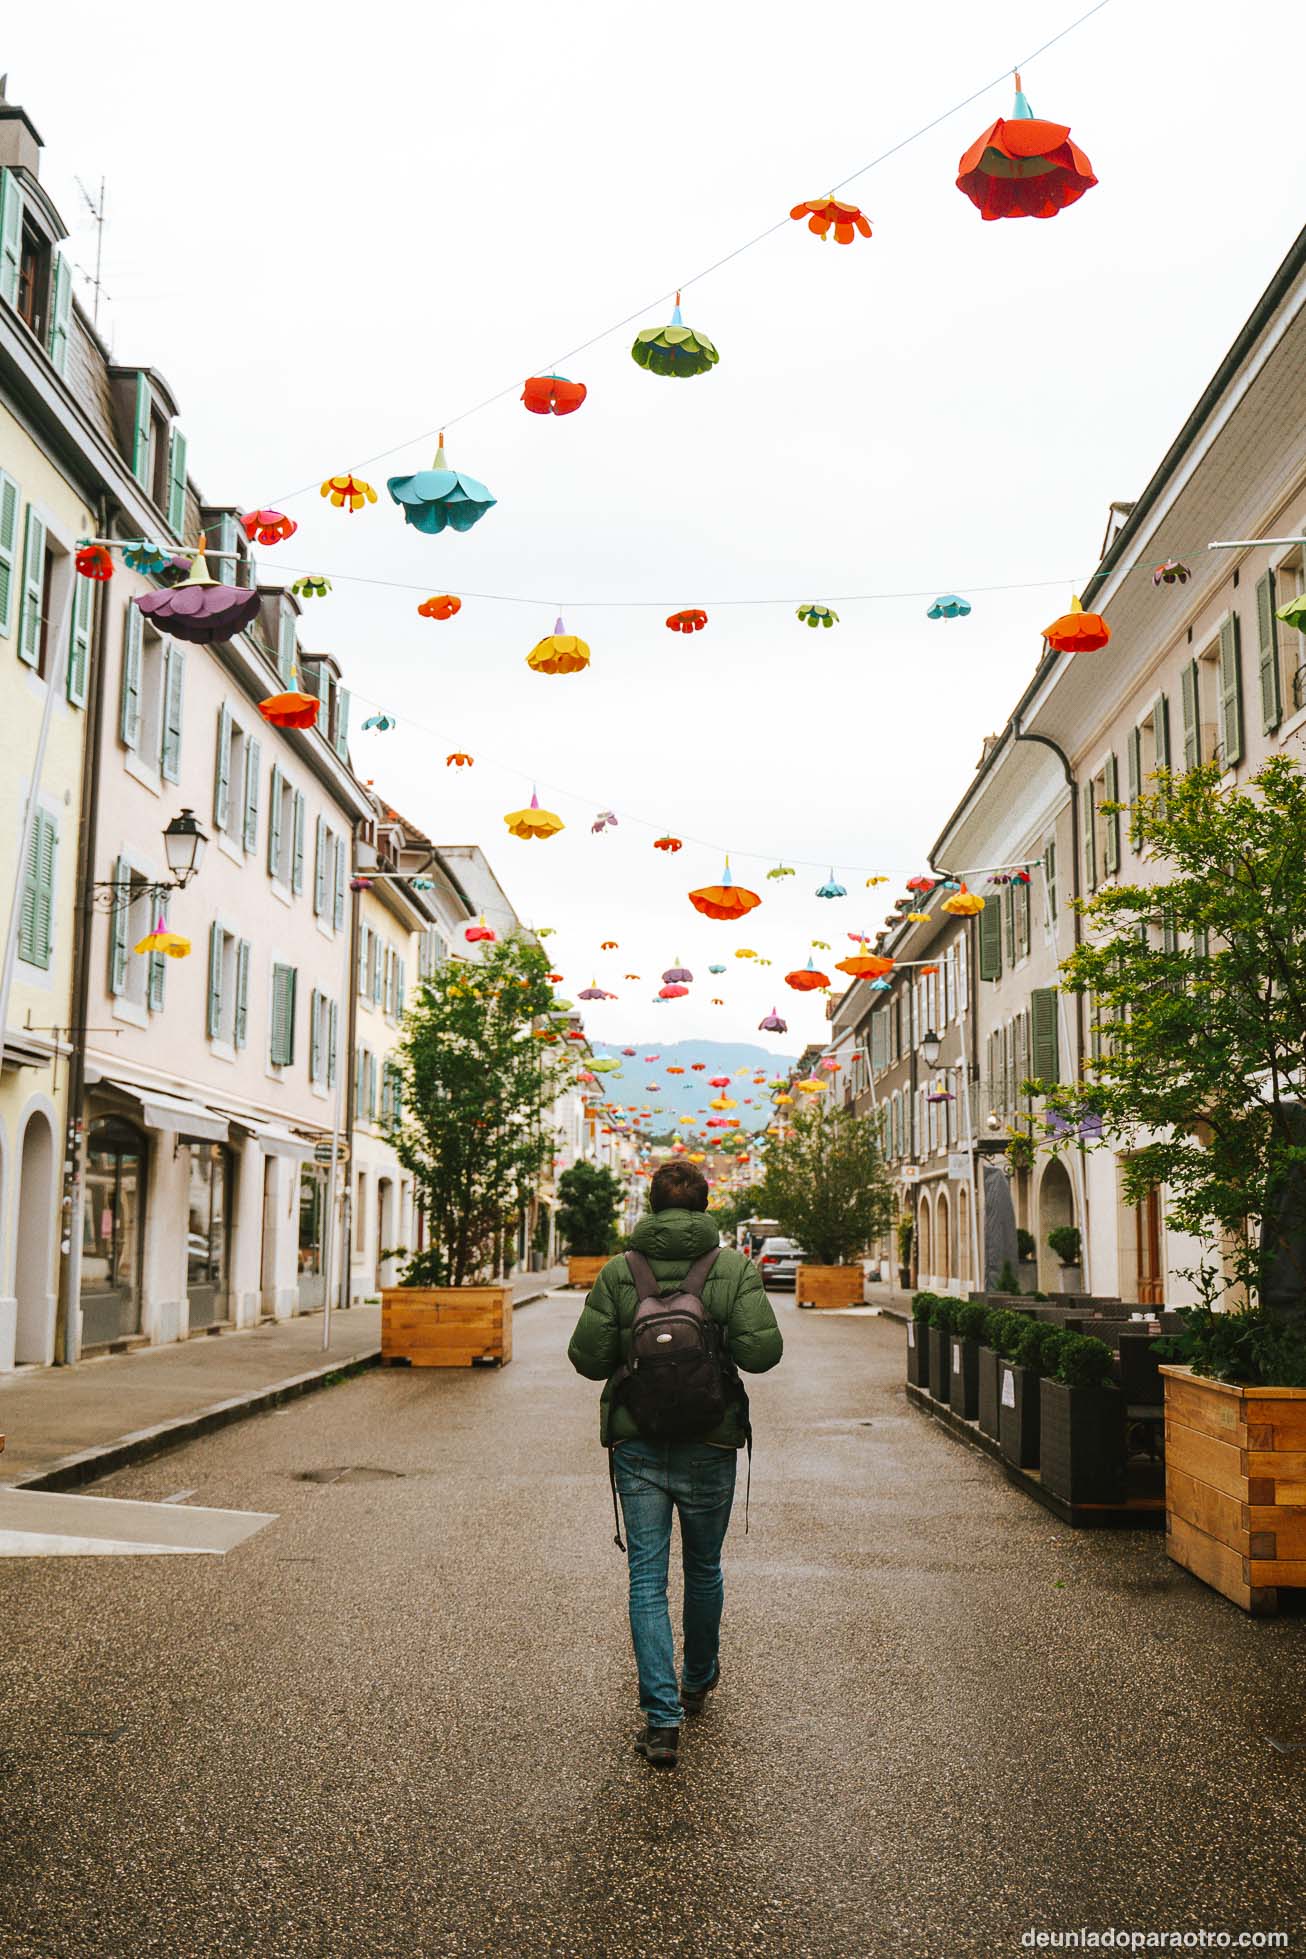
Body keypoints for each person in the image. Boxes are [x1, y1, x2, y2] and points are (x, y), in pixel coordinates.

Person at [567, 1159, 783, 1767]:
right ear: (705, 1204)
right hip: (711, 1441)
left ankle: (661, 1721)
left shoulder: (619, 1271)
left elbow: (586, 1359)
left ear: (651, 1205)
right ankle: (697, 1679)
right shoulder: (733, 1268)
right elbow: (763, 1354)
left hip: (638, 1443)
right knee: (705, 1566)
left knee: (645, 1578)